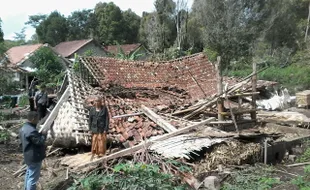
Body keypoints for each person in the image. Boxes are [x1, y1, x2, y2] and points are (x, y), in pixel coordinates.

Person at [19, 111, 48, 190]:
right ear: (33, 119)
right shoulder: (31, 131)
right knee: (33, 179)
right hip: (35, 156)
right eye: (37, 119)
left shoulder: (23, 128)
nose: (38, 121)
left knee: (29, 174)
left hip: (28, 156)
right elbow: (39, 142)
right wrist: (44, 135)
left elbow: (21, 143)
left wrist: (39, 135)